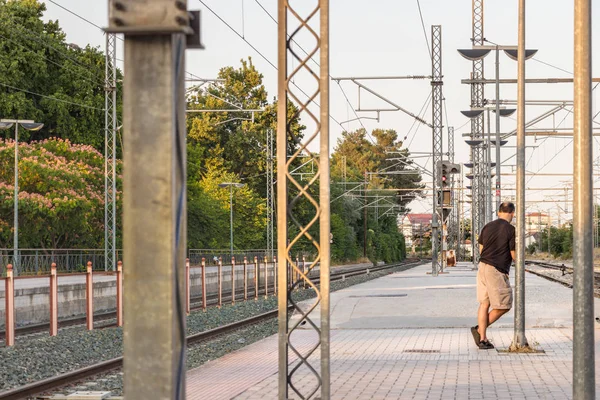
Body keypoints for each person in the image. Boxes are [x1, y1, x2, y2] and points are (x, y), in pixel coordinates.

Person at [471, 202, 516, 350]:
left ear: (498, 212)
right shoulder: (510, 229)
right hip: (496, 270)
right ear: (512, 213)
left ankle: (483, 339)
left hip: (482, 267)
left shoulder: (487, 226)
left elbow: (481, 247)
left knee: (484, 303)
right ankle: (479, 330)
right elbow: (513, 254)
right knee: (504, 305)